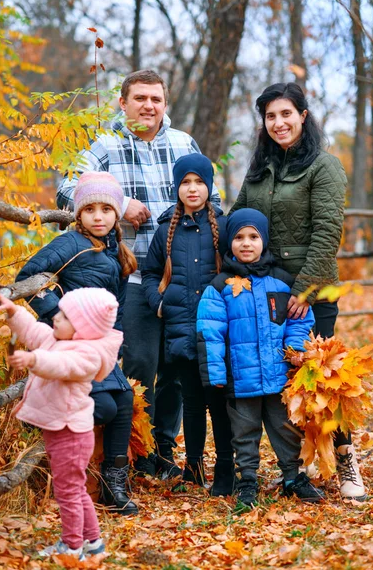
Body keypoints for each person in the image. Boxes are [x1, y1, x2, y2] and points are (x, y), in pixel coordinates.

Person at [56, 69, 221, 478]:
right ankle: (131, 450)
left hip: (184, 279)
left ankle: (163, 450)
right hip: (129, 277)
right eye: (140, 98)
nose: (148, 106)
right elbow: (65, 190)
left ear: (166, 104)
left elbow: (213, 200)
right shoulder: (105, 146)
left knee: (178, 369)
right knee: (140, 364)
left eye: (156, 99)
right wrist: (120, 201)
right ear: (123, 102)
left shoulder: (183, 143)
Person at [230, 82, 366, 500]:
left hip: (313, 288)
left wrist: (303, 290)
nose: (279, 122)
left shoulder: (324, 166)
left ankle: (345, 461)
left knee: (321, 377)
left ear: (303, 116)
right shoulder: (258, 171)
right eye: (271, 116)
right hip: (265, 289)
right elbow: (237, 220)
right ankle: (294, 466)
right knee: (278, 376)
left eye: (286, 113)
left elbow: (328, 232)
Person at [17, 172, 138, 515]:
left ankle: (113, 485)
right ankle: (42, 422)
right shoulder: (70, 243)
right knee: (108, 408)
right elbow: (26, 276)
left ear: (117, 214)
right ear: (79, 214)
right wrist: (57, 315)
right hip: (70, 344)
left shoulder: (116, 251)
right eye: (89, 210)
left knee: (124, 399)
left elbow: (119, 308)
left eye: (105, 209)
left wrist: (114, 348)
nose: (98, 217)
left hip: (98, 346)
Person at [196, 209, 325, 506]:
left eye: (253, 237)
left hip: (279, 375)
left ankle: (292, 476)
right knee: (244, 432)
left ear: (264, 241)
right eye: (239, 237)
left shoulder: (282, 283)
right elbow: (209, 332)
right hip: (240, 379)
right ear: (230, 243)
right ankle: (248, 480)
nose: (246, 243)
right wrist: (215, 374)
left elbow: (299, 321)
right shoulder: (220, 287)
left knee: (286, 428)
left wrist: (294, 352)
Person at [0, 286, 123, 559]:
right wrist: (13, 310)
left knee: (68, 492)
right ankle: (93, 543)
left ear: (83, 328)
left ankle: (72, 546)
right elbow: (34, 331)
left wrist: (32, 359)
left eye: (64, 316)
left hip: (71, 433)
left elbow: (62, 364)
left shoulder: (87, 354)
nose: (55, 318)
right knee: (75, 488)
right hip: (60, 428)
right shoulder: (58, 339)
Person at [142, 154, 234, 495]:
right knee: (192, 404)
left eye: (198, 182)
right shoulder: (167, 231)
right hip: (181, 329)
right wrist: (159, 302)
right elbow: (150, 273)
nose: (192, 189)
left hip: (217, 333)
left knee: (220, 404)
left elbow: (239, 268)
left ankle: (225, 470)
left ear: (209, 186)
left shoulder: (224, 227)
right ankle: (193, 468)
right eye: (185, 183)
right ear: (176, 187)